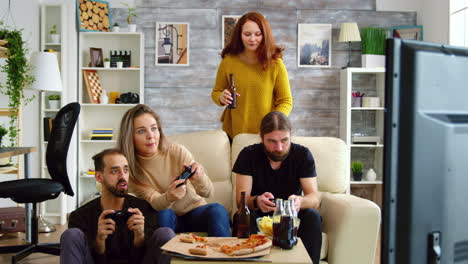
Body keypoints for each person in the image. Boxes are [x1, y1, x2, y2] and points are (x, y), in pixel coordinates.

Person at [117, 104, 231, 237]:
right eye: (141, 131)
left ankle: (222, 257)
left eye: (154, 129)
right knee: (163, 213)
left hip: (195, 212)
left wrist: (200, 178)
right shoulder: (130, 170)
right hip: (164, 216)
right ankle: (164, 257)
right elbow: (155, 202)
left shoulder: (177, 151)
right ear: (129, 137)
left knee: (218, 210)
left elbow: (209, 192)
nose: (151, 136)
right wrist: (169, 197)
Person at [232, 111, 322, 264]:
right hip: (260, 217)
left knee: (313, 216)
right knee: (241, 217)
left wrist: (300, 201)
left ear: (291, 135)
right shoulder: (248, 155)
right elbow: (241, 202)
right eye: (271, 141)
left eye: (284, 140)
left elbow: (314, 198)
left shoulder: (302, 155)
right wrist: (256, 201)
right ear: (261, 137)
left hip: (292, 218)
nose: (279, 148)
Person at [60, 148, 175, 264]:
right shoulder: (80, 216)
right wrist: (99, 241)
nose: (123, 177)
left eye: (125, 170)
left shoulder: (145, 209)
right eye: (115, 171)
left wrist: (139, 237)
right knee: (71, 235)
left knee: (166, 233)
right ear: (99, 177)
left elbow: (145, 257)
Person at [211, 11, 293, 140]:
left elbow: (286, 101)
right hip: (233, 134)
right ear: (239, 35)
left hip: (265, 135)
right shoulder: (228, 61)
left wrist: (271, 125)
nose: (252, 39)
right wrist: (221, 97)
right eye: (247, 34)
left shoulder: (276, 64)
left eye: (258, 34)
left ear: (264, 35)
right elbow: (216, 92)